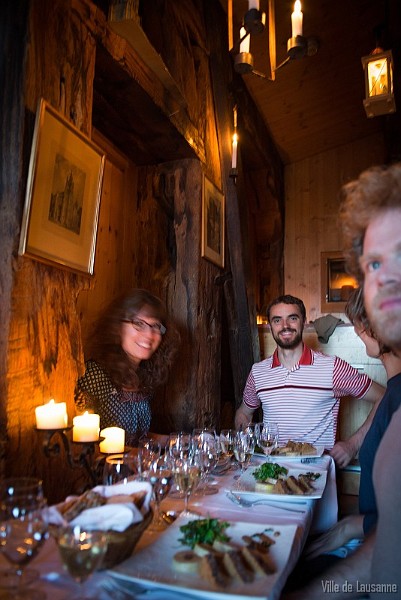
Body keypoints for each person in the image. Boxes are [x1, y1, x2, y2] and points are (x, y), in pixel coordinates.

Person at [283, 162, 401, 598]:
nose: (385, 277)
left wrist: (349, 444)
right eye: (374, 263)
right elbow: (387, 533)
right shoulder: (400, 396)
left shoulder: (334, 368)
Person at [299, 286, 401, 563]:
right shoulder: (394, 392)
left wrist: (354, 527)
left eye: (359, 323)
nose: (357, 331)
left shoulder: (395, 397)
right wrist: (354, 525)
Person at [235, 294, 385, 468]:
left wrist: (353, 444)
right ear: (270, 326)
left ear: (304, 322)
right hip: (270, 470)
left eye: (292, 318)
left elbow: (383, 396)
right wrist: (245, 443)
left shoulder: (333, 368)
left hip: (315, 473)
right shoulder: (258, 372)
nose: (285, 326)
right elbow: (244, 413)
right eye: (277, 320)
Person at [74, 289, 180, 447]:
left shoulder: (144, 377)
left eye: (156, 326)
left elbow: (136, 436)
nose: (149, 334)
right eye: (139, 324)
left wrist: (178, 442)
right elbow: (84, 444)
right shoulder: (94, 376)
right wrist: (143, 456)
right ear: (117, 327)